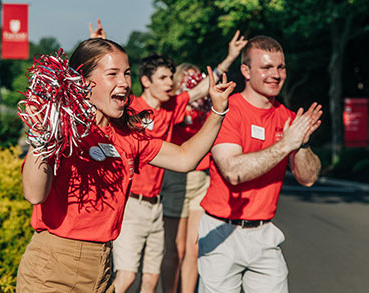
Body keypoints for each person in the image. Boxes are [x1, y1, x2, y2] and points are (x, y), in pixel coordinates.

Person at [16, 37, 235, 292]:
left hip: (102, 266)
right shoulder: (62, 129)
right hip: (53, 269)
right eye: (113, 74)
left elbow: (186, 158)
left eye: (127, 73)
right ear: (83, 82)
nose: (124, 82)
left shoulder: (128, 136)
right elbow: (33, 194)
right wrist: (42, 140)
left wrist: (218, 112)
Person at [112, 31, 246, 293]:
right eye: (163, 78)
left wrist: (230, 57)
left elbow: (200, 88)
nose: (169, 83)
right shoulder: (128, 106)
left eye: (170, 78)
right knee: (127, 278)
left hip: (156, 205)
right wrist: (98, 48)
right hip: (131, 204)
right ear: (146, 81)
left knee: (150, 280)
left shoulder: (172, 107)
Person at [197, 35, 322, 292]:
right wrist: (286, 144)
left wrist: (303, 144)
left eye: (280, 67)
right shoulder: (226, 111)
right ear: (246, 70)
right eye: (266, 67)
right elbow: (233, 171)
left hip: (265, 234)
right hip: (222, 231)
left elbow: (308, 178)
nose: (275, 74)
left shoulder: (287, 118)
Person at [160, 30, 246, 293]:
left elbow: (212, 81)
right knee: (176, 247)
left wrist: (230, 57)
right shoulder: (172, 106)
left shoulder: (205, 107)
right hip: (176, 177)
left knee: (194, 246)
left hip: (201, 177)